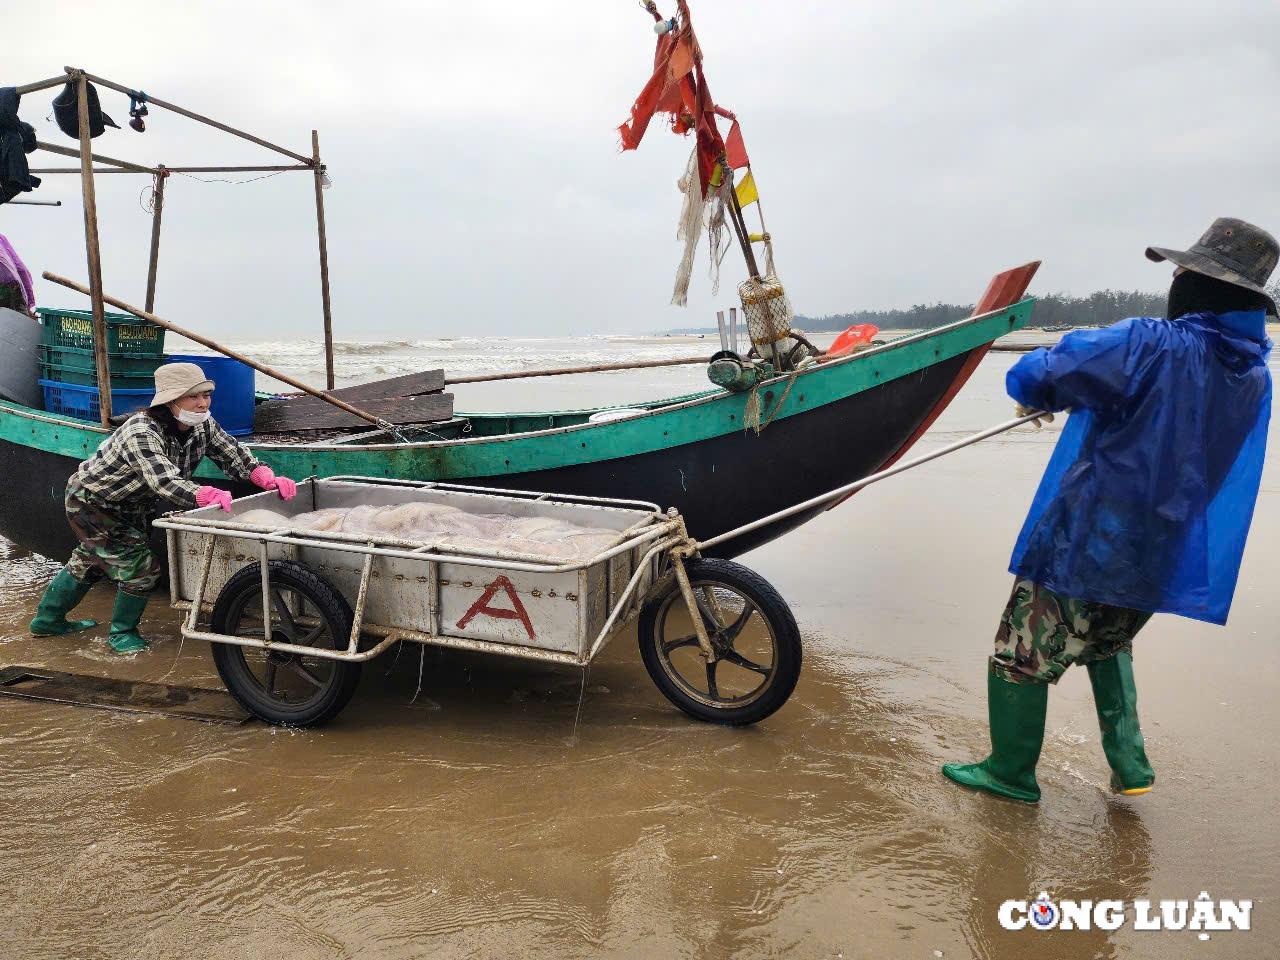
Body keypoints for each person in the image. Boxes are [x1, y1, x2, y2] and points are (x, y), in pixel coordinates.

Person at [943, 217, 1276, 803]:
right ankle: (1130, 765)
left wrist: (1037, 396)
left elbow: (1045, 368)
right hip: (1163, 543)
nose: (1174, 281)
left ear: (1200, 286)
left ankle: (1009, 773)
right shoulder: (1251, 377)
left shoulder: (1151, 341)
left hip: (1095, 530)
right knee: (1109, 639)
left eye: (1181, 273)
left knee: (1019, 651)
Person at [29, 362, 300, 654]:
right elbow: (164, 482)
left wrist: (263, 476)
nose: (202, 403)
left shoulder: (203, 424)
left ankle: (47, 621)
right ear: (171, 401)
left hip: (134, 503)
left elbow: (232, 453)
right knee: (141, 567)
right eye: (192, 397)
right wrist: (203, 494)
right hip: (92, 501)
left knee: (92, 560)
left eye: (206, 395)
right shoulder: (141, 430)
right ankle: (122, 635)